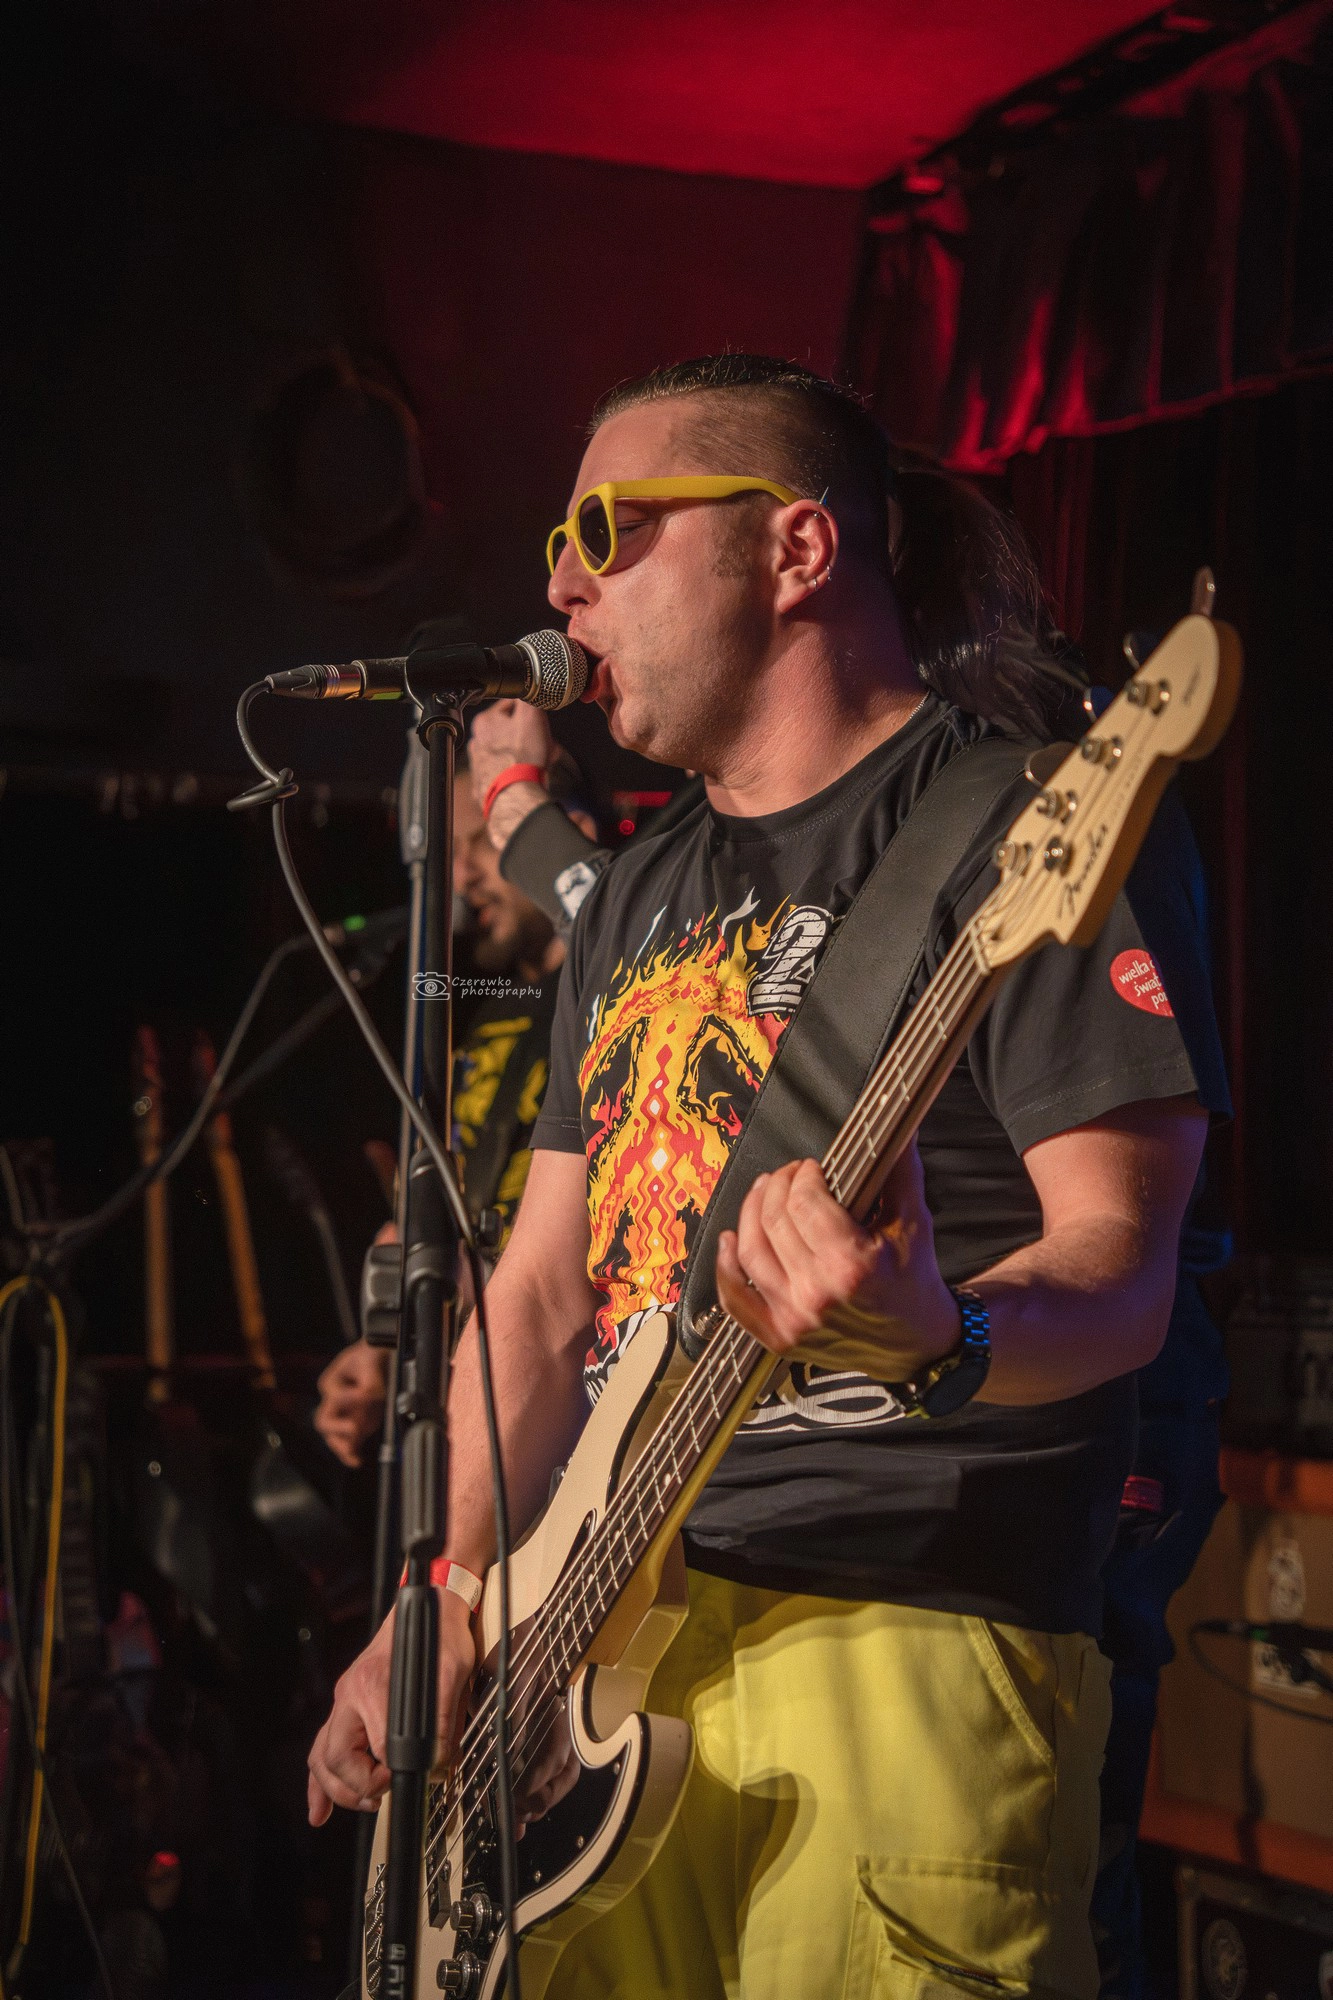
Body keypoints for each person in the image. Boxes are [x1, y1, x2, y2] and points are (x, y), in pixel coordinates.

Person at [306, 354, 1230, 2000]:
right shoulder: (637, 887)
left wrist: (935, 1333)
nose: (561, 583)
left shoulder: (1014, 827)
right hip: (597, 1646)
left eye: (609, 530)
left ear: (796, 549)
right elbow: (539, 1291)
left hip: (903, 1629)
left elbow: (1122, 1268)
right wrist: (441, 1595)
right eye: (558, 544)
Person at [312, 747, 595, 1471]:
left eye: (482, 844)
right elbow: (439, 1205)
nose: (462, 877)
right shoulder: (482, 1019)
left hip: (577, 1393)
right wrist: (379, 1347)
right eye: (452, 855)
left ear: (569, 834)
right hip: (480, 1405)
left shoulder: (618, 999)